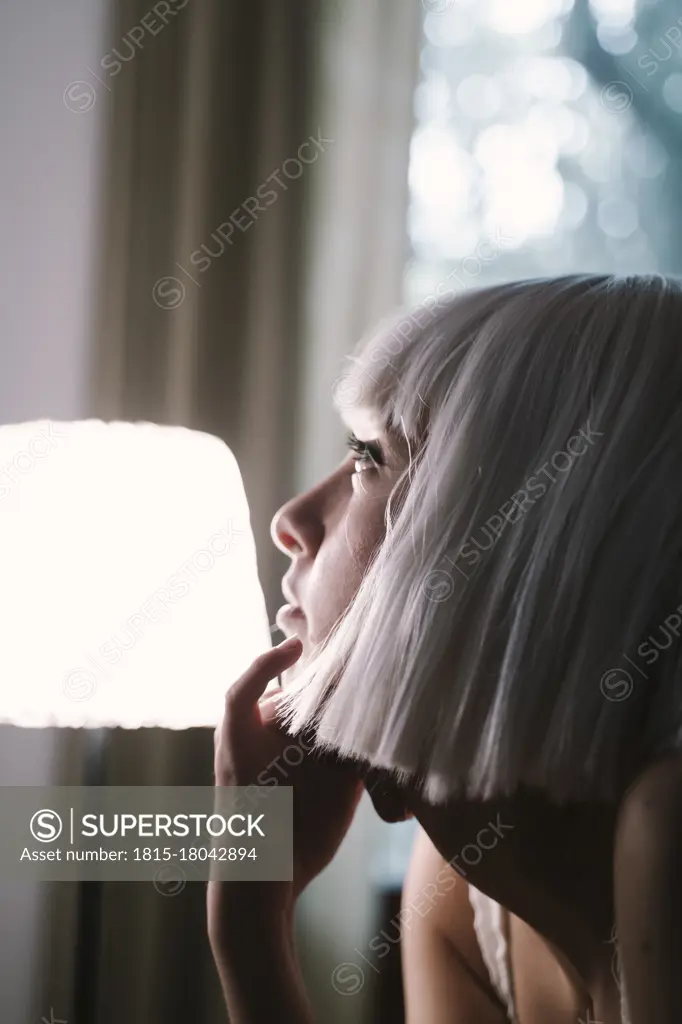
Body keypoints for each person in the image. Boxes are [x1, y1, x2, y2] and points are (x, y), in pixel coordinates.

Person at [208, 274, 682, 1023]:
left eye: (369, 456)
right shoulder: (465, 885)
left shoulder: (665, 821)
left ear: (515, 535)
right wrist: (248, 923)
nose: (290, 519)